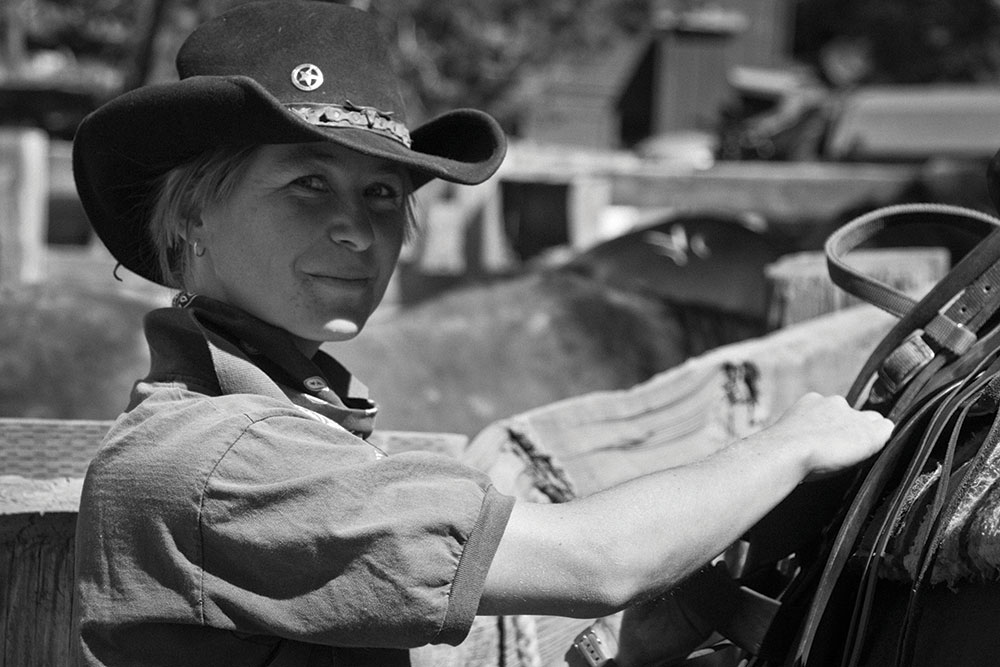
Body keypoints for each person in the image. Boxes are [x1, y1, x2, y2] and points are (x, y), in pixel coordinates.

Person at [70, 2, 894, 666]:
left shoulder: (295, 428)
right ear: (190, 220)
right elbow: (599, 561)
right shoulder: (217, 460)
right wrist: (792, 440)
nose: (357, 230)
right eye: (308, 183)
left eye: (385, 195)